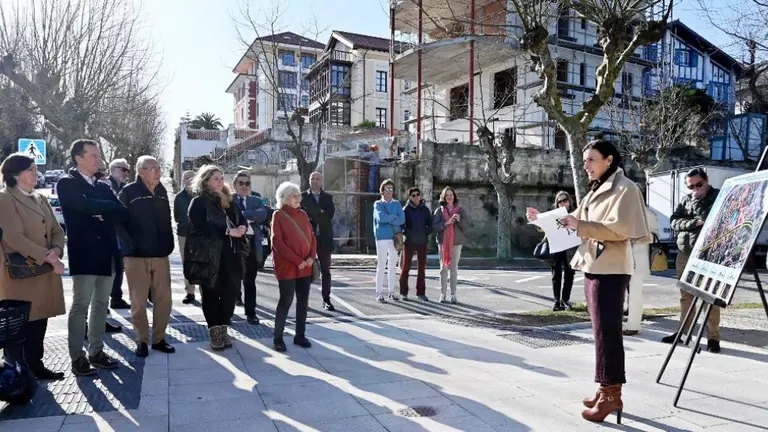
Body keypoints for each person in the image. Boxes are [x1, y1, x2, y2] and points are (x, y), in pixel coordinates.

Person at [527, 140, 648, 424]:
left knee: (608, 333)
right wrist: (541, 220)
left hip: (611, 269)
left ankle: (611, 394)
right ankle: (605, 386)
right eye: (584, 160)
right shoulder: (598, 187)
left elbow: (620, 230)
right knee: (600, 333)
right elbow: (572, 220)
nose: (585, 165)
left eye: (591, 159)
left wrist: (579, 226)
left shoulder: (625, 188)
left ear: (609, 160)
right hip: (594, 265)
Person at [57, 139, 128, 377]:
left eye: (99, 155)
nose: (99, 159)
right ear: (79, 158)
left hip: (108, 253)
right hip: (85, 254)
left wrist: (100, 211)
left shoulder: (104, 186)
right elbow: (80, 207)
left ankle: (96, 352)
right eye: (93, 155)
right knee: (80, 305)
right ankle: (77, 357)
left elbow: (120, 212)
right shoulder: (67, 183)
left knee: (101, 306)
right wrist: (100, 209)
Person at [0, 154, 67, 380]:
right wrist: (49, 257)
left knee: (40, 318)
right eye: (31, 169)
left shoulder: (40, 198)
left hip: (42, 270)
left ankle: (35, 364)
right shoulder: (5, 198)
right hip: (19, 272)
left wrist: (57, 250)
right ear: (15, 174)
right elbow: (13, 237)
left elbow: (57, 230)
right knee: (18, 323)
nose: (36, 173)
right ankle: (16, 372)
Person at [117, 156, 176, 357]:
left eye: (159, 168)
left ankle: (159, 339)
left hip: (160, 255)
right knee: (138, 301)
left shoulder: (161, 192)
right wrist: (131, 244)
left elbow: (167, 219)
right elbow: (118, 221)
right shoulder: (128, 192)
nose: (158, 172)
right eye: (153, 169)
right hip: (136, 257)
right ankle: (141, 340)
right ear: (141, 171)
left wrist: (169, 242)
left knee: (164, 300)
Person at [185, 165, 249, 350]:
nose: (221, 181)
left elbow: (241, 219)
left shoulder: (229, 200)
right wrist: (228, 231)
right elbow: (203, 226)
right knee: (211, 295)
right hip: (209, 257)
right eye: (216, 178)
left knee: (230, 295)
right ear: (205, 181)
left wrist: (242, 227)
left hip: (231, 256)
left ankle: (224, 328)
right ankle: (215, 332)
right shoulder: (198, 202)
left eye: (221, 178)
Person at [661, 168, 721, 353]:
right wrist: (693, 223)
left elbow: (712, 220)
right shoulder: (686, 199)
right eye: (690, 186)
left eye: (698, 185)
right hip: (685, 252)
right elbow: (673, 221)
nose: (695, 189)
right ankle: (683, 332)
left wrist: (697, 215)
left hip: (709, 253)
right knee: (686, 296)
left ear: (707, 180)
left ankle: (713, 339)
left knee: (710, 297)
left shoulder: (718, 196)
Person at [271, 181, 316, 352]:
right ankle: (278, 337)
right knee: (286, 300)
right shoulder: (278, 215)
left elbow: (312, 238)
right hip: (288, 266)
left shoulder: (303, 214)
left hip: (306, 265)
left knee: (303, 301)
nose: (298, 198)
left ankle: (300, 335)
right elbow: (278, 243)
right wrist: (298, 260)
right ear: (284, 198)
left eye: (299, 195)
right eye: (294, 195)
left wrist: (312, 257)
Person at [232, 170, 268, 324]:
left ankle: (251, 312)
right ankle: (229, 312)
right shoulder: (229, 200)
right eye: (241, 183)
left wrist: (243, 214)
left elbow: (263, 215)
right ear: (235, 185)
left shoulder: (256, 199)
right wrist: (250, 215)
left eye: (247, 183)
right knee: (233, 279)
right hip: (234, 244)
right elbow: (232, 217)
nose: (244, 186)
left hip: (252, 243)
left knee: (250, 280)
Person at [624, 190, 660, 336]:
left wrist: (640, 237)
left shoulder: (647, 213)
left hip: (638, 257)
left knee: (635, 292)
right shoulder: (622, 210)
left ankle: (633, 325)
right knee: (623, 292)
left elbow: (655, 235)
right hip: (621, 257)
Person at [301, 171, 336, 311]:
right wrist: (320, 212)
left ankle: (326, 299)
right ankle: (304, 301)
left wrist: (313, 213)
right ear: (309, 180)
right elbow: (302, 215)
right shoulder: (302, 196)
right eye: (313, 178)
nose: (315, 180)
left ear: (321, 181)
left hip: (324, 239)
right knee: (304, 270)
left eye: (318, 178)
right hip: (307, 239)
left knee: (326, 271)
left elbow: (330, 214)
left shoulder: (328, 197)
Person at [433, 186, 470, 304]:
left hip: (456, 243)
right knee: (443, 269)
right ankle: (443, 294)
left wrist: (460, 220)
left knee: (454, 269)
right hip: (443, 243)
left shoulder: (460, 210)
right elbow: (434, 227)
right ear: (443, 197)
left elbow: (466, 227)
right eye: (447, 195)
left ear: (454, 197)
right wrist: (445, 223)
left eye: (451, 195)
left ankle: (453, 294)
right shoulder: (439, 211)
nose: (449, 197)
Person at [373, 179, 405, 303]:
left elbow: (402, 220)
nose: (389, 192)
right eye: (386, 189)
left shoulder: (397, 204)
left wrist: (388, 219)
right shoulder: (378, 204)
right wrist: (393, 217)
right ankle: (379, 292)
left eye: (391, 189)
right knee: (381, 265)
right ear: (382, 191)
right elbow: (381, 218)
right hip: (381, 237)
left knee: (392, 266)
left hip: (394, 237)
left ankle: (391, 292)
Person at [400, 186, 432, 301]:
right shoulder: (406, 209)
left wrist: (425, 233)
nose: (416, 197)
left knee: (422, 268)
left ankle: (421, 293)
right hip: (409, 242)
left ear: (420, 196)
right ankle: (403, 293)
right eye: (413, 195)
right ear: (410, 197)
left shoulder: (425, 209)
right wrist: (409, 234)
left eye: (417, 194)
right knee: (406, 267)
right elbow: (402, 226)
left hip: (422, 242)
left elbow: (430, 224)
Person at [107, 159, 131, 310]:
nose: (126, 174)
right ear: (114, 169)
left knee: (119, 266)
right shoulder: (107, 185)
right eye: (124, 170)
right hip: (109, 234)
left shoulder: (123, 187)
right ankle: (106, 301)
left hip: (119, 234)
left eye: (128, 170)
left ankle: (116, 297)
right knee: (110, 269)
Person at [550, 191, 577, 311]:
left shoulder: (575, 214)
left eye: (564, 200)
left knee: (569, 273)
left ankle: (565, 299)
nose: (562, 203)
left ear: (569, 201)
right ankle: (557, 301)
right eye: (559, 201)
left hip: (570, 247)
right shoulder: (553, 215)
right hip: (557, 246)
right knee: (556, 273)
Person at [174, 170, 197, 304]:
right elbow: (177, 216)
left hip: (199, 235)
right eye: (187, 178)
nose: (190, 180)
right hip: (184, 234)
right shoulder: (179, 197)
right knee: (187, 263)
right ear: (183, 180)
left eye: (192, 177)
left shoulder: (200, 195)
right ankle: (190, 292)